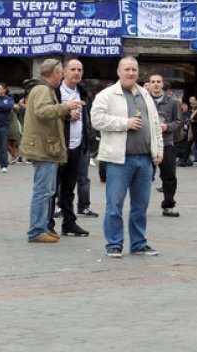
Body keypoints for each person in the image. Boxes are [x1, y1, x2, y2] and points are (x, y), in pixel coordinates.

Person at [91, 56, 163, 258]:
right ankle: (114, 244)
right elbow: (96, 120)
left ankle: (139, 244)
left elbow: (155, 124)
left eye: (134, 70)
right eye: (127, 70)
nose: (131, 73)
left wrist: (160, 149)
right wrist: (125, 123)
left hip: (145, 159)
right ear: (118, 71)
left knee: (141, 206)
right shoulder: (106, 95)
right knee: (114, 204)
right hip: (119, 160)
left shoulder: (145, 94)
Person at [24, 59, 84, 243]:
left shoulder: (42, 89)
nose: (62, 76)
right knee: (43, 191)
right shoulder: (43, 90)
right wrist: (66, 107)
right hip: (44, 148)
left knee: (47, 191)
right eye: (61, 72)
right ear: (55, 73)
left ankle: (41, 227)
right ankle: (36, 231)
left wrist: (65, 112)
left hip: (45, 147)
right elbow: (42, 112)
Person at [49, 59, 96, 237]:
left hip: (77, 146)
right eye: (72, 69)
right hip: (57, 147)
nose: (76, 73)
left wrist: (88, 141)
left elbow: (88, 118)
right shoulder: (55, 92)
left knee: (69, 189)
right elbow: (47, 115)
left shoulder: (83, 92)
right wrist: (67, 115)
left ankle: (69, 223)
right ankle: (48, 224)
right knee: (52, 189)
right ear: (64, 72)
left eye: (79, 70)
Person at [149, 74, 181, 217]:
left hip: (167, 143)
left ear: (162, 85)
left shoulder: (172, 102)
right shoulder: (143, 100)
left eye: (158, 82)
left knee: (169, 176)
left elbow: (178, 121)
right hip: (147, 143)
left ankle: (169, 205)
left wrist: (167, 127)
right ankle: (140, 205)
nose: (155, 84)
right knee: (144, 176)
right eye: (153, 82)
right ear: (149, 85)